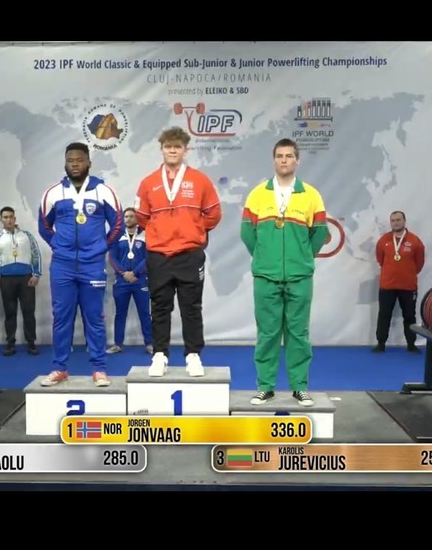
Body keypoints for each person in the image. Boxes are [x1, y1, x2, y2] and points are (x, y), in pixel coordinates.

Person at [240, 138, 328, 407]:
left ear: (297, 160)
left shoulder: (311, 195)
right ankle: (265, 387)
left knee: (298, 334)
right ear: (273, 160)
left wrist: (303, 257)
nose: (284, 160)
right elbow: (247, 233)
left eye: (289, 156)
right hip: (266, 276)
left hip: (299, 277)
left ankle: (300, 387)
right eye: (279, 156)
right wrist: (264, 257)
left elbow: (320, 233)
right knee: (267, 334)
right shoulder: (257, 194)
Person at [135, 126, 222, 378]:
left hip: (189, 254)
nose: (172, 150)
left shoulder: (200, 180)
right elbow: (142, 217)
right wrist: (161, 232)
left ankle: (193, 355)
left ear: (186, 150)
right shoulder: (148, 182)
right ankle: (159, 355)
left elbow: (214, 214)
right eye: (168, 146)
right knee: (159, 307)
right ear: (161, 149)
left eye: (177, 147)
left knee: (191, 307)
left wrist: (193, 229)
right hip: (159, 255)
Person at [38, 142, 123, 387]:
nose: (75, 164)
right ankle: (59, 368)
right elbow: (44, 226)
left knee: (94, 318)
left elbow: (117, 225)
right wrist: (58, 246)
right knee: (61, 318)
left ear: (88, 162)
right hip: (62, 266)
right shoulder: (53, 193)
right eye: (70, 160)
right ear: (65, 163)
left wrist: (101, 247)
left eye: (79, 160)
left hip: (92, 265)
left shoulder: (103, 191)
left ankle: (99, 369)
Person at [0, 206, 42, 356]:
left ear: (15, 218)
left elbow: (36, 255)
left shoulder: (27, 236)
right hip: (7, 280)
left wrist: (36, 274)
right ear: (1, 219)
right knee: (10, 312)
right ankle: (10, 343)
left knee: (28, 311)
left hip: (26, 279)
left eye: (11, 217)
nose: (9, 220)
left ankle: (31, 343)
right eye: (5, 217)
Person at [373, 210, 425, 353]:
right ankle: (381, 343)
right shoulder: (383, 241)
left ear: (404, 221)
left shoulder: (415, 241)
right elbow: (380, 260)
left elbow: (419, 263)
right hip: (387, 285)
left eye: (398, 220)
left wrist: (408, 273)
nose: (395, 223)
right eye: (393, 220)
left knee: (409, 316)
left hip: (408, 286)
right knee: (384, 315)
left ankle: (411, 344)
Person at [107, 207, 153, 355]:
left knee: (144, 313)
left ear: (137, 218)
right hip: (121, 281)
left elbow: (149, 257)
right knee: (120, 314)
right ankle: (118, 344)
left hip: (140, 279)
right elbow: (112, 257)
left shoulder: (146, 234)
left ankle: (150, 344)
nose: (128, 219)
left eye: (131, 216)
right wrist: (123, 273)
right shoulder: (117, 235)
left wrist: (134, 273)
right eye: (126, 217)